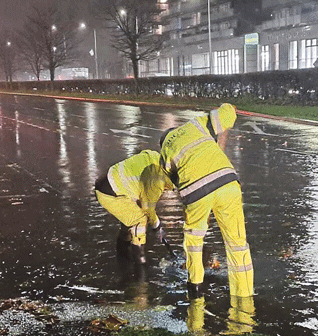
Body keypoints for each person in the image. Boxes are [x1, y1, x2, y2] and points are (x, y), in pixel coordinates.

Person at [159, 103, 253, 300]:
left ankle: (195, 288)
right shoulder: (196, 124)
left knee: (194, 240)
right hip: (228, 183)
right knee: (237, 244)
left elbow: (173, 185)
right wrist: (231, 107)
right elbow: (227, 113)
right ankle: (244, 297)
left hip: (196, 192)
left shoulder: (165, 152)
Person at [94, 149, 173, 265]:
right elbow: (148, 208)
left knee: (130, 220)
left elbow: (141, 193)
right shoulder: (159, 179)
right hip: (110, 194)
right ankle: (140, 268)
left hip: (108, 184)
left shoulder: (154, 156)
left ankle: (122, 258)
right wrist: (157, 226)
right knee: (139, 220)